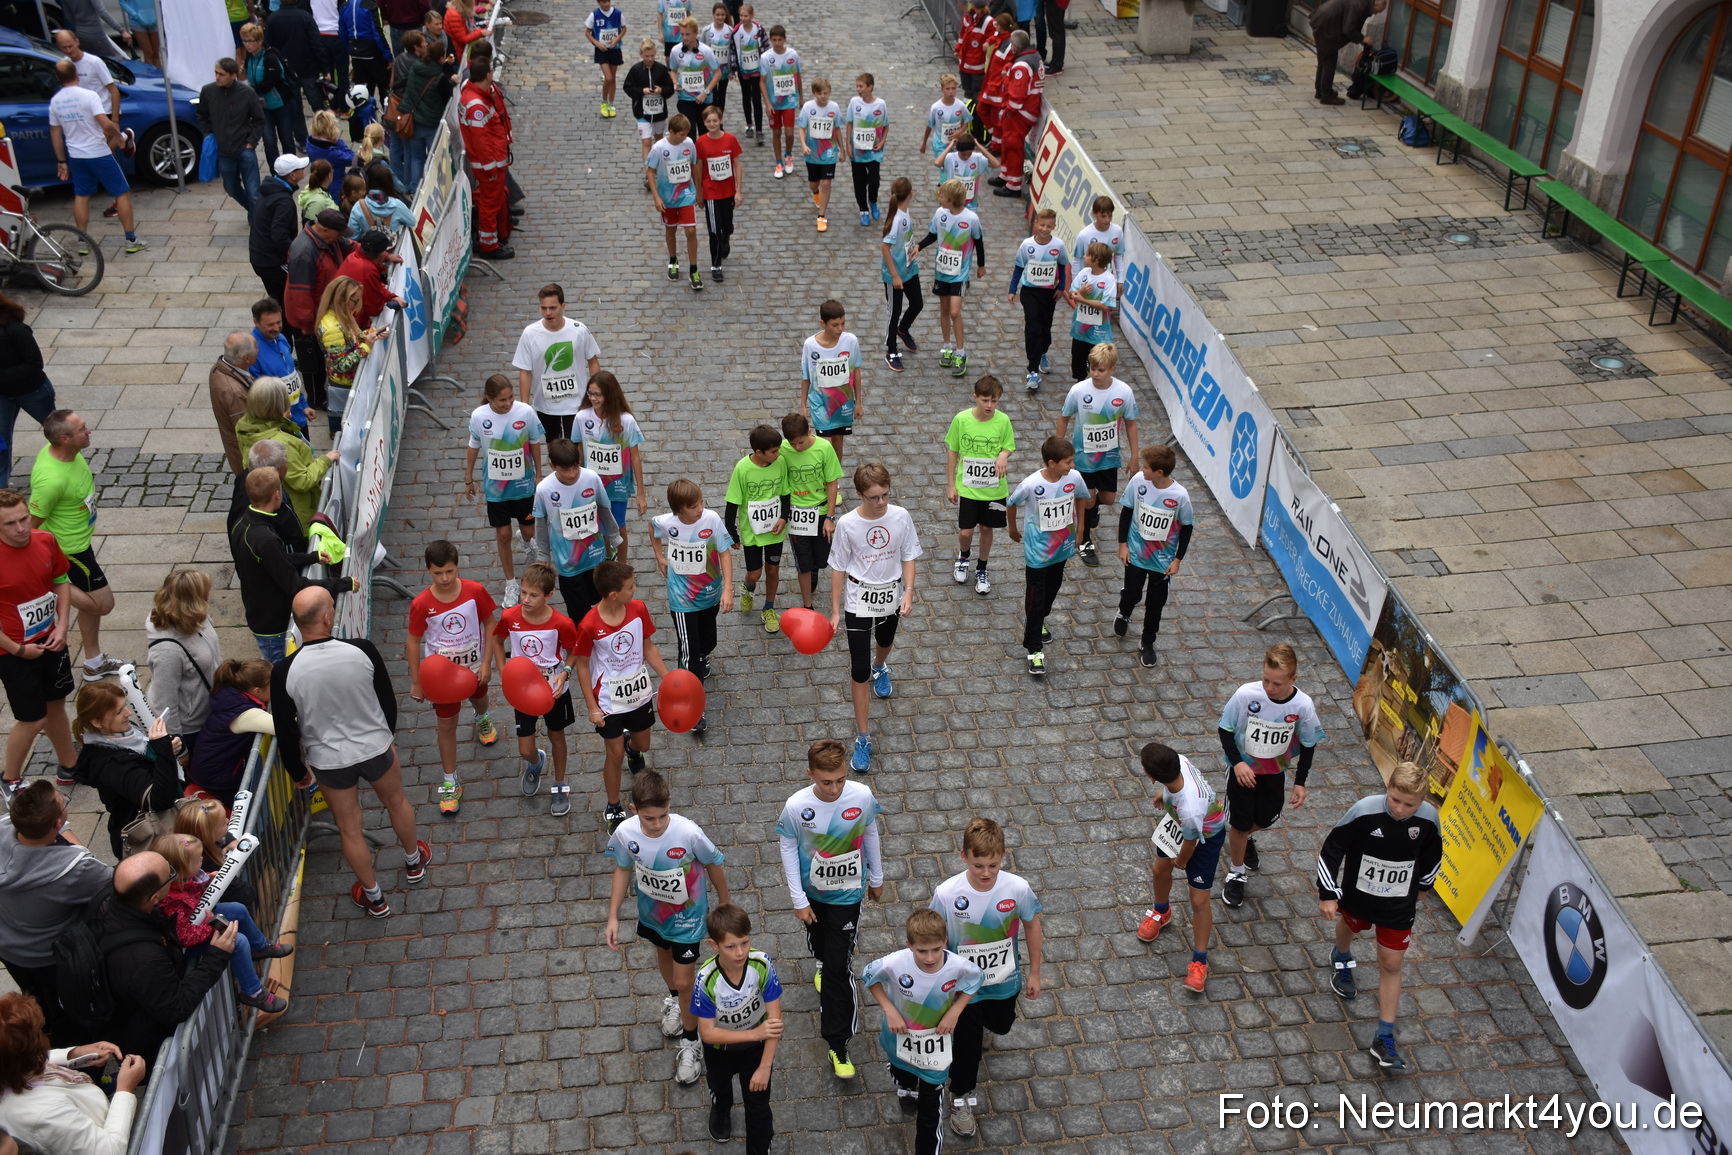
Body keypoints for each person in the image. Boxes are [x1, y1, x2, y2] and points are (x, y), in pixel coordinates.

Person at [275, 587, 429, 916]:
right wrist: (386, 735)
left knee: (349, 828)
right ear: (328, 617)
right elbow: (387, 698)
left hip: (330, 761)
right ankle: (414, 861)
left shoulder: (284, 671)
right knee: (397, 802)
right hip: (375, 748)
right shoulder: (362, 650)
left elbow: (286, 730)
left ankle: (374, 897)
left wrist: (297, 770)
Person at [603, 769, 726, 1086]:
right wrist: (613, 915)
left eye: (662, 816)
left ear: (670, 804)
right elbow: (622, 868)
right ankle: (673, 1000)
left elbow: (713, 863)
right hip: (653, 915)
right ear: (634, 810)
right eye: (648, 818)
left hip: (688, 919)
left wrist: (724, 902)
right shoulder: (626, 833)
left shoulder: (688, 833)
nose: (656, 824)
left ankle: (691, 1041)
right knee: (662, 954)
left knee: (686, 981)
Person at [1317, 759, 1440, 1070]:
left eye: (1409, 804)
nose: (1399, 809)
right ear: (1388, 788)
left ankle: (1384, 1037)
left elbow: (1433, 854)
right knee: (1349, 926)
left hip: (1399, 906)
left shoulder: (1428, 819)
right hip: (1359, 898)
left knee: (1392, 962)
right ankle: (1341, 956)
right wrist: (1328, 893)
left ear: (1422, 800)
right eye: (1395, 799)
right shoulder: (1364, 811)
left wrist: (1425, 884)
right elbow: (1331, 850)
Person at [929, 817, 1042, 1139]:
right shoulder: (947, 893)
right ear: (964, 856)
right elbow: (933, 935)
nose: (986, 873)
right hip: (964, 989)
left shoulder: (1017, 888)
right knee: (967, 1046)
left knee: (1002, 1024)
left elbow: (1032, 924)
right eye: (978, 865)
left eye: (993, 865)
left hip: (1003, 982)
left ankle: (986, 1029)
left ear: (1003, 856)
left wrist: (1034, 972)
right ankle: (960, 1096)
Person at [775, 738, 882, 1077]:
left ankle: (838, 1044)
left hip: (848, 896)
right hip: (812, 895)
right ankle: (819, 960)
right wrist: (798, 900)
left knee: (839, 968)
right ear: (810, 774)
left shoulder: (861, 797)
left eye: (840, 780)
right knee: (820, 943)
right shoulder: (795, 807)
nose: (835, 788)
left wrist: (876, 877)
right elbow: (788, 848)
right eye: (826, 782)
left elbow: (870, 833)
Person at [96, 852, 240, 1062]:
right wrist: (216, 956)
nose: (174, 873)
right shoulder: (143, 959)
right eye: (170, 872)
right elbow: (176, 1008)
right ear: (154, 897)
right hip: (150, 1047)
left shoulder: (114, 900)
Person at [0, 782, 111, 1047]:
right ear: (56, 823)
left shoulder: (4, 828)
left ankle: (39, 1036)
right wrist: (74, 841)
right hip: (53, 958)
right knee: (70, 1018)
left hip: (10, 950)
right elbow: (114, 881)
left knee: (37, 1002)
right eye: (64, 806)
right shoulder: (74, 869)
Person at [862, 909, 982, 1154]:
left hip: (936, 1052)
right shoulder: (895, 963)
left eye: (936, 950)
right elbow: (868, 975)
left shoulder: (959, 966)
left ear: (945, 943)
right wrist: (889, 1009)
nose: (930, 957)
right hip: (900, 1040)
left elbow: (975, 980)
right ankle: (906, 1087)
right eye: (922, 951)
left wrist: (956, 1011)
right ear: (909, 945)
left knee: (930, 1113)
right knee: (902, 1073)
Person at [827, 463, 920, 773]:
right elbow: (838, 567)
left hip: (890, 594)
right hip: (858, 598)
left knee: (885, 641)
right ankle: (863, 737)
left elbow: (908, 555)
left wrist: (908, 592)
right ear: (858, 495)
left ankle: (882, 666)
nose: (880, 503)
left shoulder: (901, 516)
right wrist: (836, 610)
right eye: (873, 497)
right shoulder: (847, 524)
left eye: (885, 496)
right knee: (858, 669)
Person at [1219, 642, 1326, 909]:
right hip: (1243, 772)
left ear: (1293, 679)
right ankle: (1237, 871)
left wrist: (1300, 781)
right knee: (1240, 825)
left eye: (1277, 683)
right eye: (1266, 679)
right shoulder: (1246, 694)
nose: (1269, 688)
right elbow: (1225, 729)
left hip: (1274, 773)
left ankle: (1244, 841)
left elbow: (1309, 743)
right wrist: (1237, 764)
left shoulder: (1302, 705)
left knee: (1266, 818)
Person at [574, 561, 670, 832]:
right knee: (613, 754)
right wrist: (592, 707)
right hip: (608, 701)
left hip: (638, 694)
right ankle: (614, 805)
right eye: (630, 587)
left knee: (643, 745)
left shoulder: (638, 610)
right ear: (614, 594)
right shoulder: (589, 624)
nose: (635, 589)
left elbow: (647, 646)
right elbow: (582, 665)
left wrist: (668, 677)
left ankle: (632, 749)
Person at [406, 540, 499, 818]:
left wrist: (486, 662)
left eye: (449, 571)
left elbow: (490, 623)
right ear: (428, 571)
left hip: (474, 670)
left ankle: (482, 718)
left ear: (458, 566)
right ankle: (450, 781)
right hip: (441, 679)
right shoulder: (421, 604)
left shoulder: (474, 592)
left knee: (480, 700)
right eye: (438, 573)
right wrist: (417, 681)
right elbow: (413, 642)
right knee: (446, 726)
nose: (445, 579)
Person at [151, 832, 289, 1013]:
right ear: (183, 869)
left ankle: (260, 946)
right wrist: (210, 926)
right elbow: (184, 936)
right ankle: (253, 992)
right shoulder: (171, 901)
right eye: (197, 859)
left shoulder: (183, 879)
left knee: (237, 909)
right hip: (191, 938)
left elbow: (193, 892)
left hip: (202, 922)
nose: (203, 858)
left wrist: (207, 881)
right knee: (238, 941)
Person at [28, 412, 119, 682]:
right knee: (102, 604)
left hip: (81, 542)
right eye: (82, 430)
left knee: (90, 606)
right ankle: (54, 587)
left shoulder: (67, 452)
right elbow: (31, 526)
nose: (89, 431)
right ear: (64, 439)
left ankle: (93, 662)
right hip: (71, 551)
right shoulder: (50, 480)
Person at [229, 468, 354, 662]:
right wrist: (343, 584)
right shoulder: (265, 538)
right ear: (277, 495)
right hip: (273, 625)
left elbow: (277, 559)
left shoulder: (243, 523)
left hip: (260, 615)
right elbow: (295, 584)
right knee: (281, 677)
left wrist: (312, 557)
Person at [1136, 741, 1229, 995]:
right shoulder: (1180, 761)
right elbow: (1175, 788)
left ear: (1152, 777)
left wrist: (1181, 861)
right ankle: (1161, 911)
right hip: (1179, 822)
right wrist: (1165, 796)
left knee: (1199, 900)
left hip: (1204, 836)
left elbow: (1190, 841)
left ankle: (1199, 961)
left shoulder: (1189, 808)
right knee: (1158, 870)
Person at [0, 490, 76, 796]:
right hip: (12, 651)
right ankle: (9, 779)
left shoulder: (45, 540)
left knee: (57, 704)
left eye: (24, 519)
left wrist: (61, 626)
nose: (21, 528)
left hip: (50, 640)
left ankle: (70, 765)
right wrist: (18, 649)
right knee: (32, 719)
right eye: (10, 524)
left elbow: (61, 581)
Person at [0, 993, 145, 1154]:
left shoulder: (9, 1070)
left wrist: (76, 1053)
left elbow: (25, 1060)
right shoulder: (44, 1116)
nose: (43, 1037)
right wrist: (125, 1089)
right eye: (39, 1033)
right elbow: (109, 1150)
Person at [486, 562, 578, 812]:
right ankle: (536, 763)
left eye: (533, 595)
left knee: (556, 735)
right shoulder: (509, 616)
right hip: (523, 691)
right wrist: (504, 670)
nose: (525, 599)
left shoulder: (562, 623)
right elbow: (497, 640)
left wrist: (566, 673)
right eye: (523, 592)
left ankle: (559, 784)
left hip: (554, 690)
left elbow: (574, 652)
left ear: (549, 595)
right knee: (525, 748)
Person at [692, 903, 781, 1149]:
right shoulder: (706, 979)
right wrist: (755, 1032)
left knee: (759, 1108)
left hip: (755, 1050)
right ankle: (721, 1109)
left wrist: (765, 1066)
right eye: (730, 946)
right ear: (714, 945)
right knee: (720, 1090)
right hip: (720, 1052)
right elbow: (708, 1033)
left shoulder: (761, 964)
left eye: (744, 942)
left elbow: (774, 1021)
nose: (740, 952)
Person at [1005, 436, 1089, 676]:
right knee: (1036, 597)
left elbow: (1082, 498)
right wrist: (1012, 528)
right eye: (1068, 462)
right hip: (1037, 553)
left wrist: (1081, 528)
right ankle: (1034, 650)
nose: (1072, 466)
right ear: (1052, 463)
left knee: (1053, 588)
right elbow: (1011, 503)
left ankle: (1040, 618)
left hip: (1062, 548)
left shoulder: (1074, 478)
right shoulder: (1031, 484)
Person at [649, 480, 733, 719]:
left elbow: (725, 553)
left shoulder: (712, 519)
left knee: (708, 640)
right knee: (688, 652)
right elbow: (652, 527)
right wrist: (659, 557)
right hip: (682, 599)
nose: (700, 509)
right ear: (678, 510)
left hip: (710, 593)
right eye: (694, 506)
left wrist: (727, 589)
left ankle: (702, 655)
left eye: (701, 503)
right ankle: (692, 706)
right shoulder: (668, 522)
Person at [69, 681, 180, 859]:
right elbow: (160, 800)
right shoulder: (111, 765)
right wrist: (164, 753)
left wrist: (171, 747)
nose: (128, 713)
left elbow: (148, 755)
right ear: (97, 722)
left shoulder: (122, 732)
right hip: (148, 839)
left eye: (125, 706)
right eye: (119, 711)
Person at [465, 373, 546, 608]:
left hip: (523, 486)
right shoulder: (480, 416)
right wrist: (468, 478)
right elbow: (473, 446)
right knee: (503, 535)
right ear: (489, 398)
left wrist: (539, 474)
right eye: (502, 400)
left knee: (529, 530)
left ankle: (527, 542)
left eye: (510, 397)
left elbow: (534, 443)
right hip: (496, 490)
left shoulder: (525, 412)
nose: (508, 403)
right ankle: (511, 583)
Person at [48, 60, 143, 252]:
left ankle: (83, 242)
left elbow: (55, 134)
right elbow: (105, 123)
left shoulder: (55, 101)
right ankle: (131, 240)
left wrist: (61, 161)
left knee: (82, 195)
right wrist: (119, 137)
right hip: (98, 153)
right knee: (121, 192)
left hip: (76, 155)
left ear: (58, 78)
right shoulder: (89, 96)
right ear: (76, 74)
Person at [1057, 341, 1135, 566]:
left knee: (1109, 499)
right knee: (1087, 500)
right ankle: (1085, 541)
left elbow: (1131, 423)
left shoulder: (1123, 392)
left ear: (1112, 369)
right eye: (1092, 368)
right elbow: (1064, 417)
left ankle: (1091, 511)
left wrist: (1134, 455)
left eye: (1100, 370)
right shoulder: (1080, 390)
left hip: (1109, 457)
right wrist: (1060, 448)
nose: (1095, 374)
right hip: (1083, 458)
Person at [1115, 444, 1193, 667]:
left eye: (1146, 466)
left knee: (1155, 604)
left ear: (1159, 472)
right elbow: (1127, 510)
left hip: (1162, 560)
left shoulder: (1179, 496)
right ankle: (1124, 611)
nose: (1141, 468)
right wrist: (1123, 544)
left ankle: (1147, 642)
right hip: (1136, 553)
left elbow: (1187, 526)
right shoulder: (1139, 481)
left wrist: (1178, 559)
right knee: (1132, 593)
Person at [236, 378, 339, 529]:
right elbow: (302, 481)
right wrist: (326, 459)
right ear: (277, 406)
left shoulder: (244, 425)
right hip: (298, 513)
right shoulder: (282, 443)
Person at [944, 374, 1014, 596]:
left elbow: (1008, 445)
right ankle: (964, 557)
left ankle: (982, 567)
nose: (989, 405)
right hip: (969, 487)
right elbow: (953, 450)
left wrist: (1003, 455)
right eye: (985, 400)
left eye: (994, 401)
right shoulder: (961, 419)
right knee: (965, 532)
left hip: (994, 488)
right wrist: (950, 485)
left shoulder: (1003, 421)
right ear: (975, 397)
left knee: (986, 528)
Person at [284, 209, 356, 413]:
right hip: (309, 321)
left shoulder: (329, 239)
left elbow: (350, 246)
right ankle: (317, 399)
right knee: (313, 362)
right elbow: (300, 296)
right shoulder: (303, 252)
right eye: (338, 233)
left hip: (321, 312)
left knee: (321, 357)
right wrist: (308, 326)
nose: (340, 237)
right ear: (324, 229)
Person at [143, 569, 220, 756]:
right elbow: (165, 701)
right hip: (192, 728)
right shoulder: (167, 651)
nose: (209, 596)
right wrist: (180, 748)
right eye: (204, 592)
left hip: (210, 709)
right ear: (192, 600)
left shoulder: (198, 616)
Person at [512, 284, 602, 442]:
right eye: (544, 308)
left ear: (563, 306)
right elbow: (525, 371)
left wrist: (596, 394)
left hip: (576, 403)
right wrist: (525, 407)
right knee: (553, 445)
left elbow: (593, 361)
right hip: (545, 405)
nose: (548, 313)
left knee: (576, 445)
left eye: (552, 308)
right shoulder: (530, 334)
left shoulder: (579, 330)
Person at [914, 179, 984, 377]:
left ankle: (961, 353)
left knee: (955, 311)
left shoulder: (971, 219)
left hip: (960, 274)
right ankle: (947, 347)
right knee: (944, 310)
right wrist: (919, 246)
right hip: (942, 271)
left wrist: (981, 265)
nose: (939, 197)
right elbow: (933, 235)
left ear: (951, 199)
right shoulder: (940, 214)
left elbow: (979, 241)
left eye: (942, 195)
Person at [53, 30, 125, 224]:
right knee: (101, 160)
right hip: (84, 118)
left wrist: (115, 120)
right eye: (64, 47)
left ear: (77, 41)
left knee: (107, 158)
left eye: (71, 45)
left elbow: (113, 91)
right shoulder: (64, 65)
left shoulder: (94, 62)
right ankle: (116, 196)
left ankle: (118, 199)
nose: (69, 50)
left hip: (103, 115)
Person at [723, 424, 789, 635]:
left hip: (774, 530)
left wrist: (783, 517)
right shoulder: (742, 469)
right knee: (755, 573)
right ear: (759, 452)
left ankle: (769, 608)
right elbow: (732, 503)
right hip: (751, 532)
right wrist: (731, 533)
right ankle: (747, 587)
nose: (779, 454)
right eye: (774, 451)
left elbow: (786, 493)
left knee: (772, 570)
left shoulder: (780, 463)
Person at [575, 372, 647, 561]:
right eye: (590, 393)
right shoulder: (582, 417)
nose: (593, 398)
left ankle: (622, 564)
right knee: (597, 524)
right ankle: (608, 556)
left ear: (609, 394)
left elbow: (635, 457)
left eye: (598, 394)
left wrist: (640, 493)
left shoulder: (626, 421)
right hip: (591, 483)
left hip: (618, 484)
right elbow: (579, 450)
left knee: (618, 524)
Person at [186, 659, 274, 806]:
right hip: (217, 780)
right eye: (274, 685)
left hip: (214, 771)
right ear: (257, 691)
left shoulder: (234, 697)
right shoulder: (245, 713)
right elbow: (286, 726)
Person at [777, 414, 840, 613]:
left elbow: (832, 483)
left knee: (820, 561)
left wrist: (830, 517)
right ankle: (807, 606)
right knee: (803, 563)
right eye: (793, 443)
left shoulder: (824, 448)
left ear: (809, 432)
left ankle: (813, 570)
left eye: (801, 442)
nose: (797, 447)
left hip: (820, 511)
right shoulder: (783, 449)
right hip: (796, 514)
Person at [459, 55, 515, 259]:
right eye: (491, 72)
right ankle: (489, 245)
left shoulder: (473, 96)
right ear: (486, 75)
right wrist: (491, 169)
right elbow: (481, 144)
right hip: (489, 167)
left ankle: (491, 240)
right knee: (489, 206)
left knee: (490, 203)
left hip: (490, 164)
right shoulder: (476, 107)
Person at [1009, 206, 1069, 391]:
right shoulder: (1027, 245)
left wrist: (1061, 287)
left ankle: (1043, 352)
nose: (1044, 229)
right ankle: (1033, 370)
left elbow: (1062, 266)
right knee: (1032, 328)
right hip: (1030, 291)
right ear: (1036, 224)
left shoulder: (1058, 245)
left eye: (1049, 226)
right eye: (1042, 225)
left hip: (1048, 293)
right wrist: (1012, 289)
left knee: (1045, 327)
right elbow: (1019, 267)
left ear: (1054, 226)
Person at [197, 58, 266, 217]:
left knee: (254, 192)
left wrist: (251, 143)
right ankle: (255, 211)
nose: (217, 77)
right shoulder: (208, 91)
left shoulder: (247, 93)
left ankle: (256, 224)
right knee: (231, 188)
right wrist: (208, 133)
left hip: (245, 150)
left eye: (221, 74)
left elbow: (259, 120)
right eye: (216, 73)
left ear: (233, 75)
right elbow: (201, 114)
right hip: (224, 152)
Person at [317, 275, 383, 436]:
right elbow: (341, 364)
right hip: (343, 384)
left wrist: (371, 334)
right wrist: (366, 346)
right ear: (342, 300)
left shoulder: (342, 315)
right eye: (355, 301)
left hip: (348, 380)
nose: (358, 305)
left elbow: (354, 338)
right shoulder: (331, 328)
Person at [798, 298, 862, 464]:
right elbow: (806, 377)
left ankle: (835, 480)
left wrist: (859, 402)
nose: (840, 329)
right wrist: (803, 406)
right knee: (825, 445)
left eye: (843, 323)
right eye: (835, 325)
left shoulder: (851, 341)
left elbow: (855, 372)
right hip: (820, 403)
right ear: (823, 323)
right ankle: (826, 479)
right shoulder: (810, 345)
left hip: (843, 403)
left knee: (838, 444)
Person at [0, 294, 51, 492]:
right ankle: (2, 490)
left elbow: (35, 364)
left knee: (57, 431)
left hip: (33, 392)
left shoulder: (17, 331)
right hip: (3, 395)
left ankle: (73, 467)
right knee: (1, 442)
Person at [647, 114, 703, 291]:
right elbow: (650, 171)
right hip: (667, 197)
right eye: (682, 134)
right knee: (671, 229)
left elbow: (694, 165)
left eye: (687, 134)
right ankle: (673, 260)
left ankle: (694, 269)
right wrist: (656, 197)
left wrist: (699, 192)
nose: (685, 137)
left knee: (691, 230)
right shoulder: (658, 148)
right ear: (671, 132)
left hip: (686, 194)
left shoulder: (689, 144)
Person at [266, 0, 330, 142]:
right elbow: (316, 43)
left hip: (286, 71)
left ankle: (302, 140)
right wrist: (325, 67)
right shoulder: (305, 17)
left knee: (295, 108)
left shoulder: (272, 19)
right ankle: (326, 134)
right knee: (318, 105)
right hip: (307, 67)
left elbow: (269, 47)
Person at [396, 31, 450, 191]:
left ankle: (415, 189)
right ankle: (435, 188)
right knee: (435, 157)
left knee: (416, 157)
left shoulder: (416, 68)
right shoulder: (439, 77)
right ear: (441, 58)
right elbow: (446, 97)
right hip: (431, 122)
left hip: (414, 120)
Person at [694, 105, 742, 282]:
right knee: (713, 229)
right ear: (704, 122)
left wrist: (738, 190)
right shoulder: (700, 142)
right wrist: (699, 192)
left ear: (720, 120)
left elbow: (737, 164)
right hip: (711, 193)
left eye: (715, 120)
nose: (712, 124)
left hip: (728, 191)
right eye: (708, 121)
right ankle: (716, 265)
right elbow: (699, 167)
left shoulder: (730, 139)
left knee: (726, 225)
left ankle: (726, 237)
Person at [878, 176, 921, 373]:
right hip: (895, 275)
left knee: (917, 303)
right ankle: (891, 351)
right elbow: (885, 248)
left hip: (909, 268)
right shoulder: (896, 220)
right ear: (910, 194)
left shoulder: (904, 211)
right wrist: (895, 276)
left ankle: (902, 329)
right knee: (893, 312)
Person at [993, 30, 1042, 199]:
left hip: (1020, 112)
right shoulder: (1032, 57)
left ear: (1015, 46)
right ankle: (1005, 177)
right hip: (1025, 109)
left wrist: (1009, 111)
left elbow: (1017, 93)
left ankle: (1013, 185)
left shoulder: (1022, 65)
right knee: (1008, 142)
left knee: (1013, 145)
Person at [248, 298, 308, 435]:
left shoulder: (280, 338)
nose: (276, 328)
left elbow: (292, 376)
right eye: (270, 324)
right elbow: (257, 392)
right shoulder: (252, 351)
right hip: (280, 425)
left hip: (298, 418)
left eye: (279, 322)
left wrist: (304, 405)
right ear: (256, 322)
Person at [252, 154, 307, 301]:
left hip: (260, 258)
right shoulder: (283, 201)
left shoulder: (270, 190)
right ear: (293, 175)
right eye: (301, 169)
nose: (304, 172)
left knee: (278, 298)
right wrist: (295, 254)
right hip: (272, 262)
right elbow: (279, 235)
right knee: (291, 297)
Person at [1310, 0, 1385, 106]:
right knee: (1329, 60)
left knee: (1324, 58)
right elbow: (1348, 28)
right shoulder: (1361, 6)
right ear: (1375, 4)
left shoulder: (1365, 4)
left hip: (1324, 19)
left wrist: (1361, 39)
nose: (1376, 13)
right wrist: (1363, 39)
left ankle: (1321, 91)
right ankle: (1326, 95)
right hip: (1327, 24)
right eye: (1378, 11)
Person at [239, 23, 294, 164]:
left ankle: (291, 168)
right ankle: (275, 172)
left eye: (250, 41)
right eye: (244, 41)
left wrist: (248, 91)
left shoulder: (270, 57)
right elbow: (250, 80)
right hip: (263, 106)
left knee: (286, 138)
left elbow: (269, 83)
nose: (247, 44)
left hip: (281, 104)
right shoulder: (249, 58)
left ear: (259, 41)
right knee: (269, 141)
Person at [1066, 242, 1118, 388]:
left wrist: (1082, 299)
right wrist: (1081, 293)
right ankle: (1080, 384)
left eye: (1088, 254)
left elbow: (1106, 306)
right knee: (1078, 362)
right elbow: (1072, 293)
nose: (1084, 256)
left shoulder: (1108, 279)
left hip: (1098, 333)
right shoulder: (1083, 273)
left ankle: (1096, 385)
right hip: (1080, 331)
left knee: (1097, 363)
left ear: (1095, 260)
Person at [794, 77, 841, 232]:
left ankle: (821, 216)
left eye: (826, 93)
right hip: (812, 153)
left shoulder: (834, 107)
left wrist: (842, 149)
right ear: (814, 93)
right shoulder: (808, 107)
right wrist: (803, 144)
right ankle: (815, 192)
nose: (823, 96)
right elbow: (801, 127)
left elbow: (838, 128)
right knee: (814, 183)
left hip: (829, 152)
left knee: (826, 182)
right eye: (820, 93)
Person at [623, 40, 675, 179]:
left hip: (659, 113)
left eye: (652, 55)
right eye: (647, 56)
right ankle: (649, 172)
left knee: (658, 140)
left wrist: (661, 90)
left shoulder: (662, 69)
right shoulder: (635, 70)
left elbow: (670, 89)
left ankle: (659, 166)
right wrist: (642, 91)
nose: (650, 59)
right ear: (641, 54)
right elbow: (627, 88)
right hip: (642, 113)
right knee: (646, 141)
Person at [842, 72, 886, 228]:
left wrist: (882, 142)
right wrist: (848, 143)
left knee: (874, 180)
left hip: (873, 150)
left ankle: (872, 200)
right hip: (858, 150)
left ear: (870, 87)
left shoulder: (880, 104)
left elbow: (885, 125)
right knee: (859, 181)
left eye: (861, 86)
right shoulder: (854, 102)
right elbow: (849, 123)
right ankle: (863, 210)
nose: (858, 89)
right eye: (857, 86)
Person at [334, 229, 404, 326]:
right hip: (351, 323)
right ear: (380, 255)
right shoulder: (368, 270)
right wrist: (390, 298)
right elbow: (374, 309)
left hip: (338, 315)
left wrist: (391, 296)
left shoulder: (353, 256)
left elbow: (373, 287)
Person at [759, 24, 801, 179]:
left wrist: (801, 97)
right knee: (776, 132)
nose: (777, 43)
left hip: (789, 100)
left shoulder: (792, 55)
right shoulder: (765, 57)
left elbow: (798, 76)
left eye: (780, 40)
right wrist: (767, 103)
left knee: (789, 133)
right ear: (770, 40)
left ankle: (788, 155)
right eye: (774, 40)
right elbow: (762, 81)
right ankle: (778, 162)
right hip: (774, 102)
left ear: (784, 39)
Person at [669, 18, 721, 138]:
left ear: (696, 33)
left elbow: (717, 74)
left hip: (704, 99)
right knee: (689, 133)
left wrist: (706, 92)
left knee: (705, 133)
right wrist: (675, 82)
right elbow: (673, 70)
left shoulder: (706, 51)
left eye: (688, 34)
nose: (685, 37)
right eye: (682, 34)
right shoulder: (676, 51)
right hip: (685, 98)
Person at [585, 0, 627, 117]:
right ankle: (604, 102)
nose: (607, 4)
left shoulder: (618, 14)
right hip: (602, 50)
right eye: (604, 2)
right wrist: (597, 43)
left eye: (608, 1)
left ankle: (611, 104)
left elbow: (624, 28)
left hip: (615, 49)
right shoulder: (594, 15)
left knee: (613, 78)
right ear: (598, 3)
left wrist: (617, 39)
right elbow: (587, 32)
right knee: (608, 77)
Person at [729, 4, 765, 143]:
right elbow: (733, 51)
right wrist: (734, 69)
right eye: (741, 16)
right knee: (746, 97)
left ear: (752, 15)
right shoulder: (737, 31)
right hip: (744, 69)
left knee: (756, 98)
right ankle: (749, 124)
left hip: (756, 69)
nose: (743, 18)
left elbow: (765, 48)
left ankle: (759, 129)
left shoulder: (759, 29)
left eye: (746, 16)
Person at [349, 166, 416, 239]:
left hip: (369, 248)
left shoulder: (358, 206)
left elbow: (353, 236)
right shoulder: (397, 205)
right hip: (394, 249)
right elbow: (412, 222)